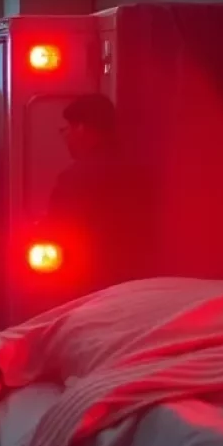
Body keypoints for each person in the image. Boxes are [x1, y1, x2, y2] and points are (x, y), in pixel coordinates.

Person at [45, 93, 144, 296]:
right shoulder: (139, 170)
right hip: (135, 284)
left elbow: (58, 231)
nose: (66, 136)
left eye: (68, 129)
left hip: (87, 284)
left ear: (81, 128)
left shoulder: (75, 179)